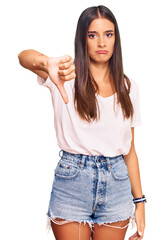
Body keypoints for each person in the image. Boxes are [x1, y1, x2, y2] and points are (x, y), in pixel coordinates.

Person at [18, 5, 146, 240]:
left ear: (116, 39)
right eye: (92, 35)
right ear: (82, 39)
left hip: (117, 185)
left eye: (108, 34)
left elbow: (130, 151)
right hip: (73, 184)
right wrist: (46, 62)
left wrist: (140, 202)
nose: (101, 43)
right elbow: (23, 57)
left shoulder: (129, 88)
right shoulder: (64, 76)